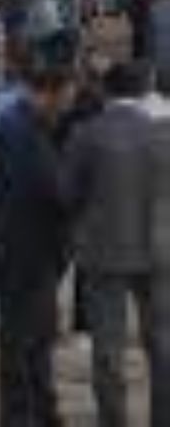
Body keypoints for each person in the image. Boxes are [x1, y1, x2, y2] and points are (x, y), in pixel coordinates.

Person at [62, 59, 170, 427]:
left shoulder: (87, 134)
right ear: (146, 89)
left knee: (108, 347)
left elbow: (68, 194)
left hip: (103, 249)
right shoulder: (164, 133)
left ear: (105, 91)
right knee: (162, 343)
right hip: (159, 247)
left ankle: (113, 419)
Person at [0, 60, 73, 427]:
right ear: (49, 93)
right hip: (25, 249)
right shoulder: (22, 129)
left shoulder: (25, 124)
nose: (67, 106)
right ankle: (20, 414)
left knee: (38, 335)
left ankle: (42, 408)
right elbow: (47, 188)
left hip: (29, 246)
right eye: (66, 97)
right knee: (23, 339)